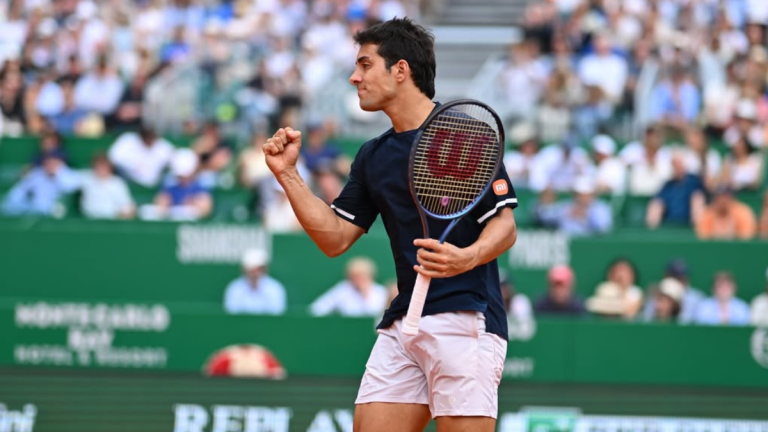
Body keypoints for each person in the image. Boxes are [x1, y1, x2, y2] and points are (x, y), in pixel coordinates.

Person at [261, 18, 518, 432]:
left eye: (365, 65)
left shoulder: (465, 134)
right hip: (403, 321)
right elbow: (335, 238)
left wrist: (466, 257)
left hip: (465, 317)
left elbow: (504, 226)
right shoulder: (372, 155)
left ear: (401, 70)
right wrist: (288, 176)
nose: (353, 76)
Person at [309, 256, 388, 317]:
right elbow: (317, 308)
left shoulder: (381, 291)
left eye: (363, 276)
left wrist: (365, 295)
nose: (359, 280)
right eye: (355, 277)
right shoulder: (342, 289)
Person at [223, 248, 287, 315]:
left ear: (265, 269)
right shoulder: (235, 288)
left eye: (259, 269)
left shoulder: (275, 288)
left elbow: (276, 314)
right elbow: (231, 314)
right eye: (252, 269)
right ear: (244, 270)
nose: (255, 273)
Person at [80, 153, 135, 219]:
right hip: (91, 221)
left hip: (115, 221)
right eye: (99, 166)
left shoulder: (118, 183)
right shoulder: (86, 180)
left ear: (110, 167)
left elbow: (127, 205)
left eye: (104, 166)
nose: (102, 169)